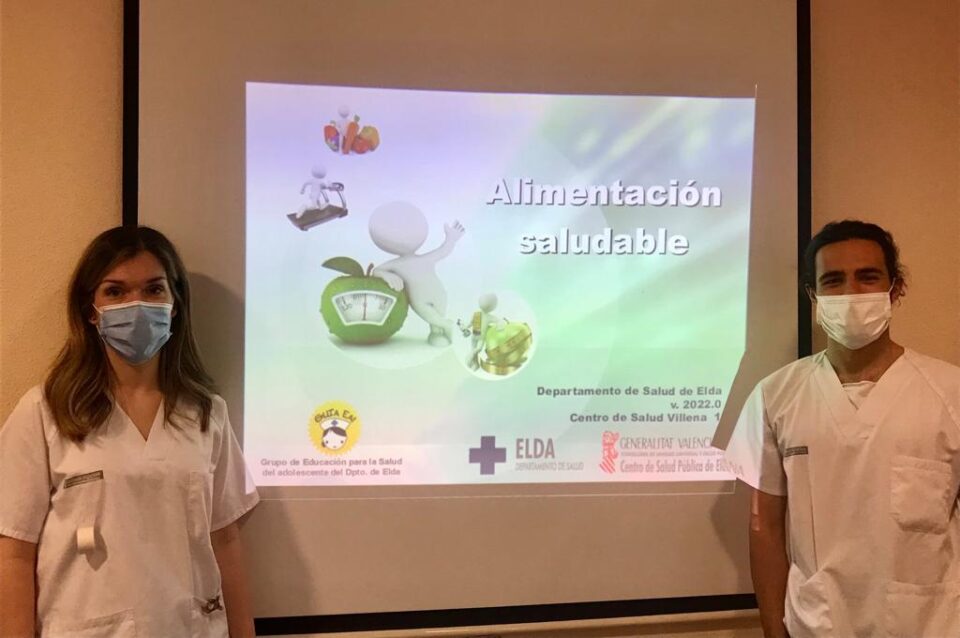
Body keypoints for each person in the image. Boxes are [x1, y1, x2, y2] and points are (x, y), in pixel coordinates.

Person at [0, 226, 260, 637]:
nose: (136, 305)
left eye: (154, 289)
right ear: (90, 309)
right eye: (115, 291)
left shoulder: (206, 413)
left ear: (175, 304)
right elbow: (14, 552)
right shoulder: (45, 411)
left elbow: (225, 541)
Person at [723, 220, 960, 637]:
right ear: (813, 295)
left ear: (896, 288)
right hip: (816, 625)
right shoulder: (776, 396)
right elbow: (765, 528)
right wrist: (774, 631)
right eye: (833, 280)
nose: (851, 292)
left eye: (868, 277)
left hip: (930, 623)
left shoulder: (950, 392)